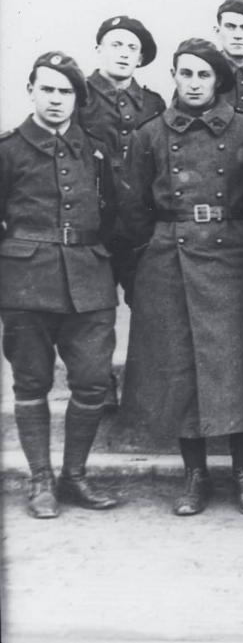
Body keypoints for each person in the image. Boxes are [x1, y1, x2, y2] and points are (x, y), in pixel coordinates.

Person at [116, 40, 243, 517]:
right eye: (186, 74)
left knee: (236, 365)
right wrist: (147, 260)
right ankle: (194, 474)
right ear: (175, 78)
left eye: (204, 75)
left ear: (219, 80)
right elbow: (132, 208)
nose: (195, 84)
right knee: (181, 368)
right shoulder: (150, 134)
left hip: (233, 253)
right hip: (169, 256)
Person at [1, 53, 124, 518]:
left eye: (65, 91)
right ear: (30, 90)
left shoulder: (93, 149)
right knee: (31, 381)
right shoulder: (8, 149)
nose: (56, 99)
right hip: (25, 284)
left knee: (92, 382)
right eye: (47, 89)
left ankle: (75, 476)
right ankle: (40, 480)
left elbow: (112, 213)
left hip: (89, 281)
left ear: (77, 97)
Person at [80, 14, 166, 174]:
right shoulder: (78, 96)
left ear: (140, 58)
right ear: (99, 50)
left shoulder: (154, 104)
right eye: (116, 45)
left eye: (132, 48)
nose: (124, 54)